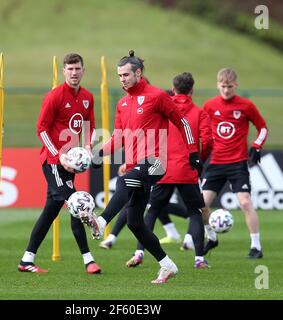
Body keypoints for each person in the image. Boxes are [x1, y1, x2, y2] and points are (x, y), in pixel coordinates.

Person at [81, 51, 199, 284]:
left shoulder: (157, 96)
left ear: (138, 72)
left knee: (125, 180)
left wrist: (193, 152)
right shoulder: (123, 104)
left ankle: (102, 222)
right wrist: (98, 155)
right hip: (138, 165)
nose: (122, 79)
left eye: (126, 74)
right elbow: (118, 137)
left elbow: (182, 122)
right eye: (119, 75)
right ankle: (167, 266)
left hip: (157, 162)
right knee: (135, 222)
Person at [17, 53, 101, 274]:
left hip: (70, 163)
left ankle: (27, 259)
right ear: (63, 71)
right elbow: (41, 128)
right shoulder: (54, 96)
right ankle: (88, 259)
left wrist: (88, 148)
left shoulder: (87, 97)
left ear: (83, 70)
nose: (74, 73)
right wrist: (59, 155)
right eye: (70, 69)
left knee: (50, 212)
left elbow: (90, 126)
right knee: (75, 203)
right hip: (53, 161)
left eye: (77, 69)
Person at [124, 72, 213, 269]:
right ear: (192, 90)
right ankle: (199, 259)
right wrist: (200, 160)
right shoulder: (199, 113)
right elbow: (207, 141)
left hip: (161, 167)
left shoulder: (161, 106)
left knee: (152, 211)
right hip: (186, 169)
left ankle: (139, 252)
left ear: (173, 89)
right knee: (194, 213)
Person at [202, 68, 268, 259]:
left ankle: (256, 246)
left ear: (236, 86)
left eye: (230, 87)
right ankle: (212, 238)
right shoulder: (209, 105)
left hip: (237, 163)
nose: (226, 90)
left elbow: (262, 127)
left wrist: (257, 146)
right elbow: (202, 130)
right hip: (215, 163)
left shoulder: (246, 105)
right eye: (223, 86)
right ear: (217, 85)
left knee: (246, 203)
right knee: (201, 206)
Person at [99, 166, 187, 249]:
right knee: (151, 204)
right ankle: (174, 231)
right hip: (157, 167)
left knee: (150, 205)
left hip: (159, 168)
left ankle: (192, 216)